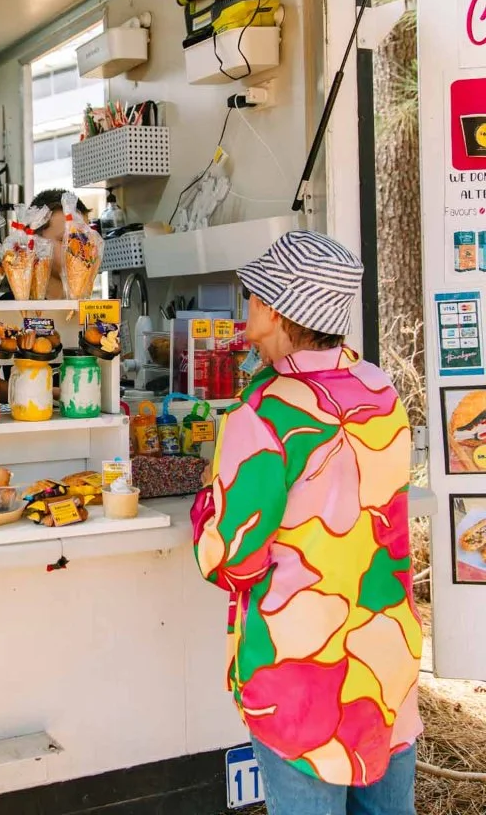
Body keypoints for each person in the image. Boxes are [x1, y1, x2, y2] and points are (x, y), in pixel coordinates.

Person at [191, 230, 421, 815]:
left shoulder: (263, 414)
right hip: (383, 658)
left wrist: (205, 508)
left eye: (253, 296)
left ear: (273, 310)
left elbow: (228, 558)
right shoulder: (382, 391)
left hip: (300, 678)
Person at [0, 188, 90, 300]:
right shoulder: (9, 308)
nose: (80, 250)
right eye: (65, 240)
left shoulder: (90, 312)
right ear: (35, 242)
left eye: (85, 240)